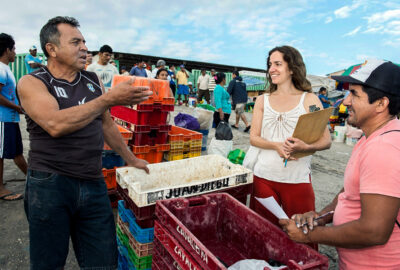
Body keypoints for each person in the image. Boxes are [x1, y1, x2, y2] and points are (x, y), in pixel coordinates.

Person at [17, 16, 152, 269]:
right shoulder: (33, 82)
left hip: (93, 181)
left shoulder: (92, 81)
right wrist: (108, 99)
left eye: (85, 42)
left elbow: (106, 124)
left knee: (102, 261)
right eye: (76, 42)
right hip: (49, 185)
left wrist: (131, 158)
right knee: (48, 262)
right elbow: (55, 125)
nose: (84, 48)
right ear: (52, 49)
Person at [280, 59, 400, 269]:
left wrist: (309, 235)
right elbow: (352, 191)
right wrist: (321, 217)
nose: (345, 102)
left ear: (381, 103)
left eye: (354, 94)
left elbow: (374, 231)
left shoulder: (384, 148)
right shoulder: (371, 137)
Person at [249, 45, 331, 230]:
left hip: (297, 180)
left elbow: (326, 140)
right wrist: (276, 145)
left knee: (301, 236)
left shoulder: (309, 100)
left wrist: (306, 148)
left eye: (277, 64)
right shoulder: (263, 100)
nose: (271, 69)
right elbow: (254, 137)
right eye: (270, 64)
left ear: (292, 68)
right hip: (264, 178)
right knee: (263, 235)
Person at [0, 33, 27, 201]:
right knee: (0, 155)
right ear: (7, 49)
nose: (15, 53)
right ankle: (0, 189)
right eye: (14, 49)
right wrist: (17, 107)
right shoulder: (0, 68)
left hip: (9, 118)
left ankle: (33, 178)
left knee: (17, 152)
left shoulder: (6, 68)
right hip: (3, 119)